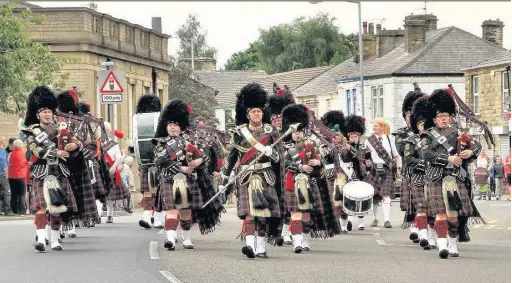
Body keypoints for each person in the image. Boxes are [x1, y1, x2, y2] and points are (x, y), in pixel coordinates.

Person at [220, 83, 281, 258]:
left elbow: (279, 159)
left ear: (263, 113)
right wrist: (224, 180)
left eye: (259, 112)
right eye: (253, 111)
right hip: (245, 176)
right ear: (247, 114)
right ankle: (249, 246)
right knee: (249, 214)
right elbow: (231, 158)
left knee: (262, 215)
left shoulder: (271, 132)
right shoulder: (239, 133)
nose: (256, 114)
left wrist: (271, 152)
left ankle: (261, 248)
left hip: (266, 176)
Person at [153, 99, 223, 251]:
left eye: (175, 125)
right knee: (171, 210)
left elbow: (205, 157)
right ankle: (170, 239)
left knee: (185, 211)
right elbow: (160, 161)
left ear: (180, 127)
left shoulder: (190, 142)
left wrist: (198, 162)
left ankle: (186, 237)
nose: (172, 127)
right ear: (166, 126)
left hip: (188, 181)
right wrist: (181, 168)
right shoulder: (160, 143)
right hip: (168, 179)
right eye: (170, 125)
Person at [422, 88, 482, 259]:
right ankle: (442, 245)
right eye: (440, 116)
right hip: (436, 177)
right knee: (440, 213)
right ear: (434, 118)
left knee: (453, 214)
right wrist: (448, 158)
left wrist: (470, 153)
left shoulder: (459, 134)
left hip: (455, 178)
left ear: (450, 117)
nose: (443, 119)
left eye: (446, 116)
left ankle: (453, 243)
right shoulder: (427, 135)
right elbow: (427, 155)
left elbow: (477, 146)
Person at [21, 86, 79, 252]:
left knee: (56, 209)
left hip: (59, 171)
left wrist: (74, 146)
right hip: (41, 172)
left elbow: (76, 143)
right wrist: (56, 152)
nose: (47, 114)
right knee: (40, 208)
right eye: (43, 112)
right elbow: (36, 149)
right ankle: (40, 239)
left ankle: (54, 241)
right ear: (37, 114)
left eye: (49, 111)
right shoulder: (32, 131)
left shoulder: (62, 128)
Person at [405, 96, 437, 250]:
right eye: (420, 124)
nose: (423, 126)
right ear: (416, 125)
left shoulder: (435, 140)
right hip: (418, 176)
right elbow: (408, 159)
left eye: (425, 124)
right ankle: (423, 235)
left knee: (433, 209)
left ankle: (432, 236)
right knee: (421, 207)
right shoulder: (411, 140)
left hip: (434, 177)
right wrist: (422, 163)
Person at [267, 84, 295, 245]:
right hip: (271, 173)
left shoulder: (290, 133)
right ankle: (272, 232)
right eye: (274, 117)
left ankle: (285, 232)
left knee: (287, 204)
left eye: (279, 117)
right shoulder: (267, 133)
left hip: (288, 172)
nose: (277, 119)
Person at [394, 90, 424, 243]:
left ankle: (423, 231)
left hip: (426, 172)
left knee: (424, 204)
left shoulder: (427, 131)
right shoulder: (401, 133)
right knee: (412, 204)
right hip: (409, 172)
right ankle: (414, 228)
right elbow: (402, 151)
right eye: (407, 115)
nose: (410, 118)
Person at [129, 94, 163, 229]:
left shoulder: (162, 122)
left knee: (157, 191)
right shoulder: (148, 122)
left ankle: (157, 217)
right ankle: (147, 217)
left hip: (160, 161)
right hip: (148, 162)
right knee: (150, 191)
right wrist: (132, 146)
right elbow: (135, 148)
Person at [365, 118, 402, 228]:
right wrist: (366, 162)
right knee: (374, 196)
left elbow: (396, 155)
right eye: (374, 126)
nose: (374, 127)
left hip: (387, 169)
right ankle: (375, 219)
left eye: (376, 125)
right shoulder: (369, 140)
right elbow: (364, 155)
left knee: (386, 196)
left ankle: (387, 220)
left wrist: (399, 167)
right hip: (374, 169)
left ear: (382, 127)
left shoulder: (390, 139)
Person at [8, 139, 28, 214]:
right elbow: (26, 163)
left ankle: (14, 211)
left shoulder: (11, 154)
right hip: (21, 176)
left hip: (12, 176)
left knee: (13, 194)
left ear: (14, 146)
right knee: (22, 194)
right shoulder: (24, 153)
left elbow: (8, 162)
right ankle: (22, 211)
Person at [0, 136, 15, 216]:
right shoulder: (2, 150)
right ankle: (8, 210)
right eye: (5, 140)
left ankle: (1, 210)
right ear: (1, 142)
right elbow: (2, 161)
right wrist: (7, 172)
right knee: (7, 192)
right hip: (3, 175)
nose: (6, 141)